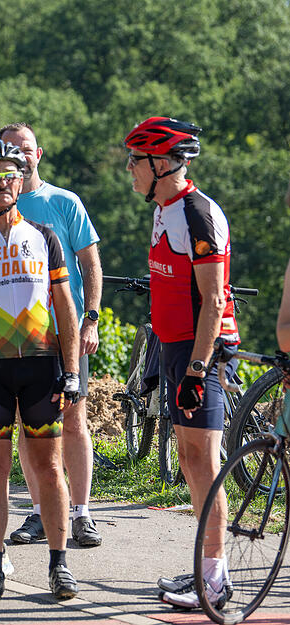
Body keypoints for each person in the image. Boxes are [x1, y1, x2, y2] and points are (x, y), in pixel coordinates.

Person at [0, 139, 80, 602]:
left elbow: (64, 306)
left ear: (21, 180)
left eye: (9, 175)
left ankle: (59, 564)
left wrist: (72, 369)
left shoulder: (44, 236)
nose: (1, 184)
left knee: (47, 468)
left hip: (43, 366)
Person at [124, 117, 238, 610]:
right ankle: (206, 568)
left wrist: (197, 368)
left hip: (201, 352)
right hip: (175, 347)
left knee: (205, 463)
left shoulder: (197, 213)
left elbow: (212, 301)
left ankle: (215, 580)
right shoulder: (166, 209)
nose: (129, 169)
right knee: (192, 463)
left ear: (162, 164)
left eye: (136, 160)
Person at [0, 122, 104, 548]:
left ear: (37, 153)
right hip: (13, 335)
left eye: (25, 149)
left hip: (65, 331)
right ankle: (41, 510)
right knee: (29, 424)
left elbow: (91, 262)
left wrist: (91, 318)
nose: (20, 156)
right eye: (10, 149)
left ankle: (81, 512)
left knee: (74, 421)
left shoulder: (64, 201)